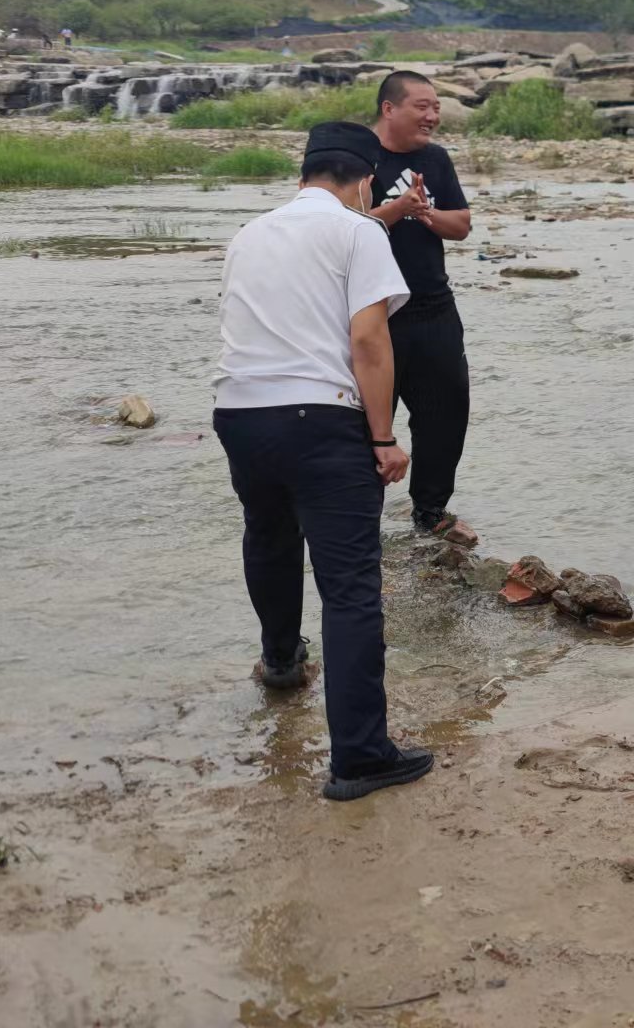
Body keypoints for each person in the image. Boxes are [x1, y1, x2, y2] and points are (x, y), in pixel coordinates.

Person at [211, 121, 434, 802]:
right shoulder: (359, 231)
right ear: (366, 180)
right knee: (350, 587)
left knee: (269, 540)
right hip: (321, 417)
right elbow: (368, 340)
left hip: (239, 412)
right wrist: (383, 438)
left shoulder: (249, 233)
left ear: (303, 174)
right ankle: (360, 757)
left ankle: (282, 662)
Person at [366, 71, 476, 540]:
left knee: (446, 413)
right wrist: (397, 209)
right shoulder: (356, 156)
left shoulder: (435, 159)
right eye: (422, 106)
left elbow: (461, 225)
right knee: (366, 420)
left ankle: (431, 511)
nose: (432, 116)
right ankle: (359, 516)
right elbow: (335, 228)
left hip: (433, 305)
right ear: (389, 108)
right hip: (371, 311)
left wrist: (425, 212)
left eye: (436, 107)